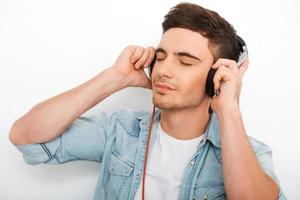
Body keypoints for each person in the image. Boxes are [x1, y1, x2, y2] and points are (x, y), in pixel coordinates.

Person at [9, 2, 286, 200]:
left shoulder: (251, 154)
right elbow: (26, 137)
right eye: (161, 56)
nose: (164, 70)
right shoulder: (120, 130)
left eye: (185, 62)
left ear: (215, 77)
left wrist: (230, 109)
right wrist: (114, 78)